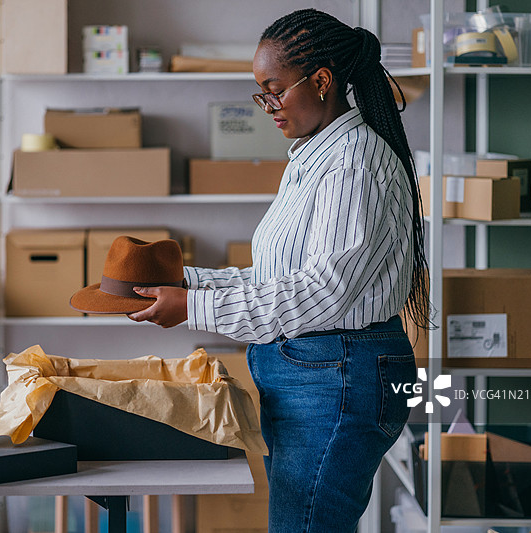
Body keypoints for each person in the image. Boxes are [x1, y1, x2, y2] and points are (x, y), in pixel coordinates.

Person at [128, 8, 429, 532]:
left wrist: (193, 307)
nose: (267, 105)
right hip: (313, 375)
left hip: (337, 377)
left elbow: (321, 292)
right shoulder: (313, 157)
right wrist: (186, 284)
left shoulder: (354, 163)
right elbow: (280, 281)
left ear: (321, 81)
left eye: (275, 90)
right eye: (260, 93)